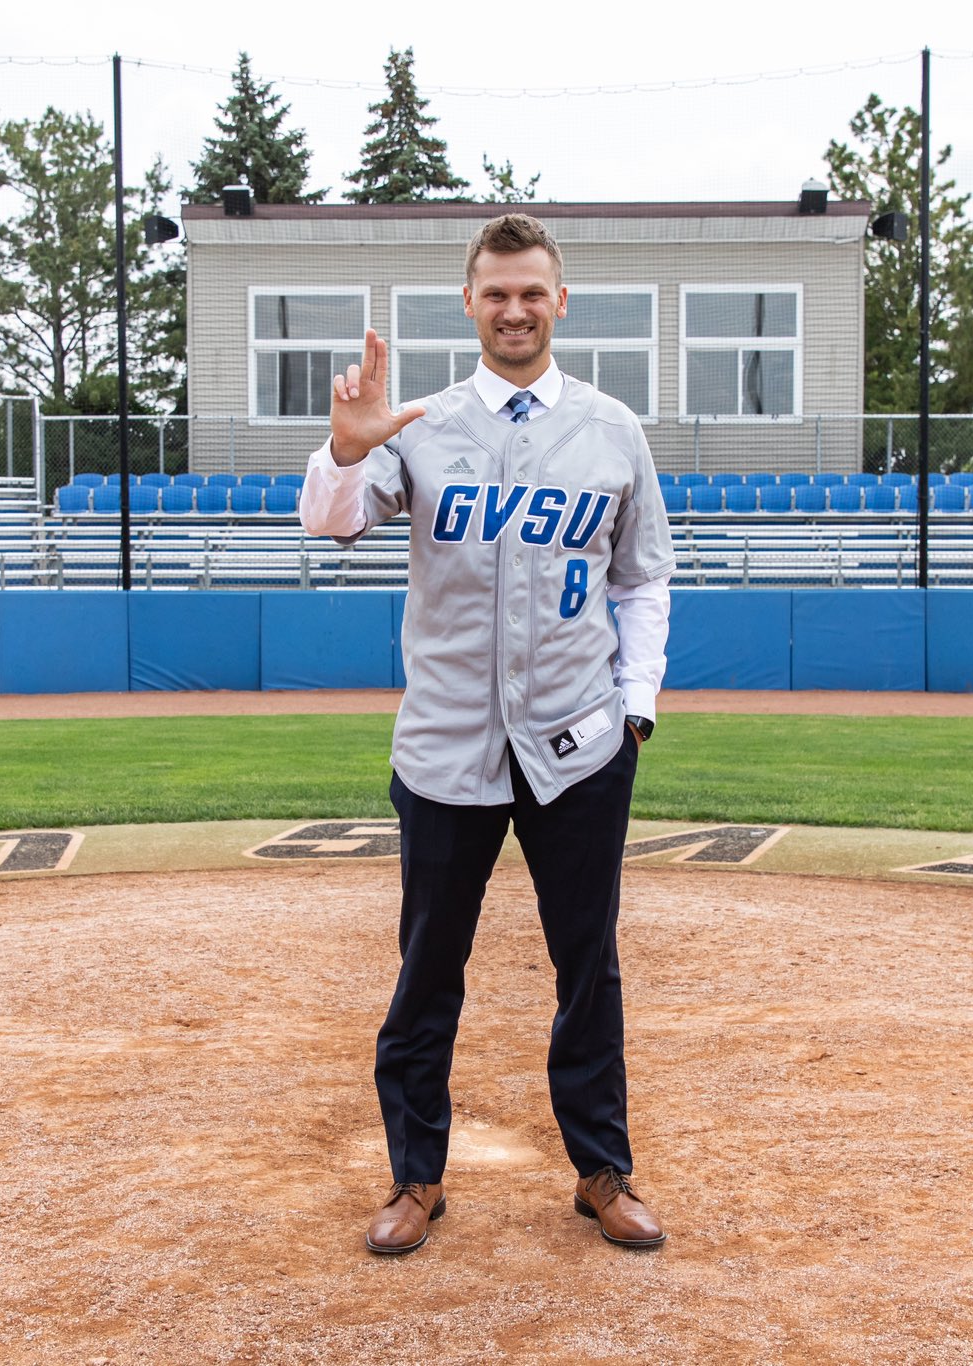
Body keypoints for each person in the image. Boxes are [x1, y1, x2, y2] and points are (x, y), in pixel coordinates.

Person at [299, 213, 675, 1255]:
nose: (514, 309)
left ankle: (601, 1170)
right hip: (445, 742)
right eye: (495, 292)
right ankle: (415, 1177)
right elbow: (325, 523)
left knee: (585, 965)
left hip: (579, 741)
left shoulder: (611, 430)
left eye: (532, 292)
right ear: (468, 303)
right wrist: (344, 446)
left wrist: (634, 702)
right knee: (427, 968)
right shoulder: (416, 426)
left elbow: (642, 577)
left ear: (560, 302)